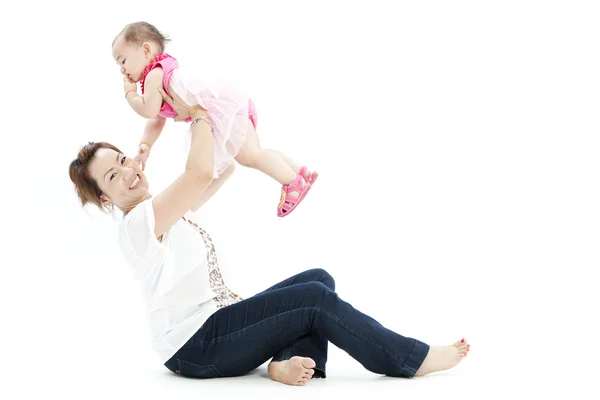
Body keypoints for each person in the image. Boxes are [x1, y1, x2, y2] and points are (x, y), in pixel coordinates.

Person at [68, 87, 470, 386]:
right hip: (195, 345)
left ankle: (286, 363)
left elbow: (219, 168)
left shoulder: (167, 214)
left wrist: (234, 127)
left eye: (123, 160)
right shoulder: (137, 224)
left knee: (318, 279)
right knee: (313, 300)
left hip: (220, 325)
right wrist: (198, 110)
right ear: (106, 197)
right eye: (113, 176)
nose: (128, 172)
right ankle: (407, 358)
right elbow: (199, 174)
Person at [112, 21, 317, 217]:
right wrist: (145, 146)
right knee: (254, 151)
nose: (122, 69)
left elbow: (148, 110)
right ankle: (300, 172)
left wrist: (130, 94)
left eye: (123, 60)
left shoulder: (154, 74)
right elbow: (157, 119)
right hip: (227, 108)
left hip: (222, 111)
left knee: (249, 155)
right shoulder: (161, 71)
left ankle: (292, 182)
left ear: (146, 50)